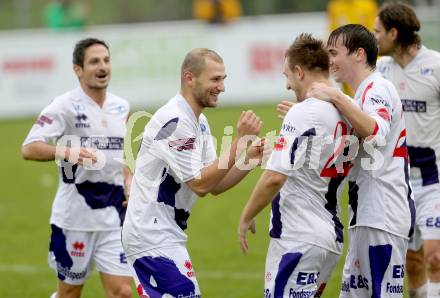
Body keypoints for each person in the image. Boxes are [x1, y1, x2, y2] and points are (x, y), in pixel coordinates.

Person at [121, 48, 264, 297]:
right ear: (189, 78)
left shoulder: (198, 121)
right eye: (215, 79)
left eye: (223, 79)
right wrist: (241, 140)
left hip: (163, 234)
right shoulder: (175, 121)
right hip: (151, 236)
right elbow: (200, 184)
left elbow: (214, 183)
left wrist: (249, 159)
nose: (222, 87)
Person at [238, 33, 353, 298]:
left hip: (298, 235)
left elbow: (274, 178)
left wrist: (246, 216)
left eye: (287, 75)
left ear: (299, 72)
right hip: (330, 236)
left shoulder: (304, 113)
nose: (287, 85)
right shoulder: (348, 109)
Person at [304, 24, 415, 298]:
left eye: (333, 52)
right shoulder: (361, 94)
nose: (328, 60)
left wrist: (336, 96)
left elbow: (376, 133)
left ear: (359, 54)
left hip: (382, 215)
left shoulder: (376, 88)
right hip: (366, 214)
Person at [21, 38, 132, 298]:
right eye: (94, 61)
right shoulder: (64, 106)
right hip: (74, 219)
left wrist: (129, 181)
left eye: (106, 60)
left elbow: (123, 156)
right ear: (78, 69)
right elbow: (29, 147)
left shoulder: (121, 107)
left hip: (115, 216)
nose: (102, 66)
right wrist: (65, 151)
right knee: (70, 293)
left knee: (122, 292)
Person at [374, 3, 440, 297]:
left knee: (435, 257)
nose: (374, 38)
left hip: (433, 178)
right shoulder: (380, 70)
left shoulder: (435, 66)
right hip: (397, 182)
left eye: (377, 32)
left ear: (393, 32)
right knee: (411, 264)